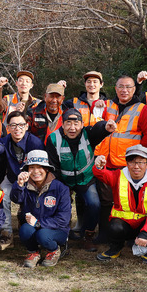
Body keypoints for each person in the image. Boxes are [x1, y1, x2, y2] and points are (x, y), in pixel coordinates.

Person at [94, 75, 147, 242]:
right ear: (115, 88)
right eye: (121, 86)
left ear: (134, 89)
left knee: (127, 201)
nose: (124, 90)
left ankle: (129, 235)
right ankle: (104, 234)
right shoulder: (107, 105)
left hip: (127, 165)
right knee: (106, 201)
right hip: (107, 161)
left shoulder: (141, 108)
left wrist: (138, 157)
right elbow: (96, 123)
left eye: (128, 87)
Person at [46, 108, 115, 251]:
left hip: (86, 179)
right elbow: (53, 166)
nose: (72, 128)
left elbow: (98, 129)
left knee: (94, 204)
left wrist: (106, 128)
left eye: (76, 124)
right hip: (63, 180)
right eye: (68, 123)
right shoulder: (53, 139)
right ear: (62, 125)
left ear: (82, 125)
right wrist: (61, 190)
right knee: (59, 205)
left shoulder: (88, 134)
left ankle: (87, 236)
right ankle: (62, 235)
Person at [93, 145, 147, 264]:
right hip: (123, 224)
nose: (136, 166)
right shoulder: (118, 176)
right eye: (132, 162)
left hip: (145, 224)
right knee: (115, 227)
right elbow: (102, 174)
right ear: (126, 163)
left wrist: (145, 232)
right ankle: (115, 248)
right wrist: (99, 166)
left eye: (141, 162)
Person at [0, 111, 45, 250]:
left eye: (21, 125)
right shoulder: (5, 141)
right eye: (13, 125)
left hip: (32, 181)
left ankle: (32, 228)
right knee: (2, 195)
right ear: (8, 128)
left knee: (31, 200)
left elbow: (41, 167)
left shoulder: (35, 142)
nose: (17, 128)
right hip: (12, 179)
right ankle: (7, 234)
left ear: (27, 126)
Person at [11, 150, 72, 268]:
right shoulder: (24, 184)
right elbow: (16, 199)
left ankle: (54, 250)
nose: (35, 171)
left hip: (57, 230)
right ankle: (33, 252)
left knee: (43, 235)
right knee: (24, 230)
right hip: (33, 225)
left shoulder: (61, 188)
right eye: (31, 167)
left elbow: (63, 220)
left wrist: (39, 223)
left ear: (47, 169)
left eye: (40, 167)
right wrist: (18, 185)